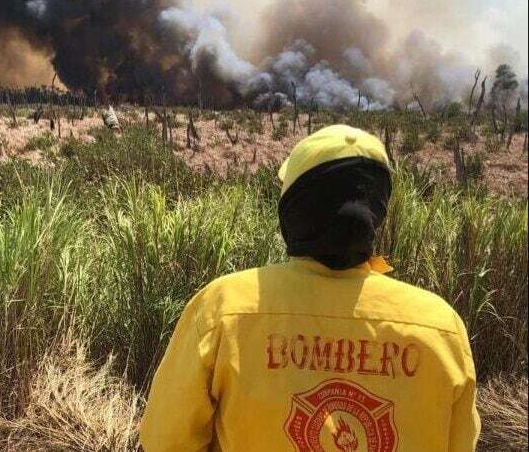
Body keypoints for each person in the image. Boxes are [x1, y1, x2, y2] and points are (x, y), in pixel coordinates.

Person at [140, 124, 480, 452]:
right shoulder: (440, 327)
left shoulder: (223, 309)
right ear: (377, 213)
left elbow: (165, 441)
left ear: (293, 211)